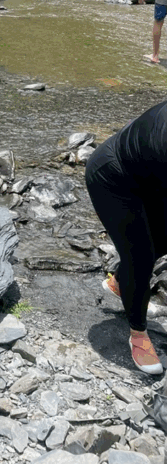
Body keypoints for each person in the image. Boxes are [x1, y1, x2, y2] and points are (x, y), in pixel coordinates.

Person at [85, 101, 167, 375]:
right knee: (140, 256)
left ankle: (120, 282)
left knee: (161, 239)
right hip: (111, 176)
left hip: (148, 177)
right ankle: (138, 335)